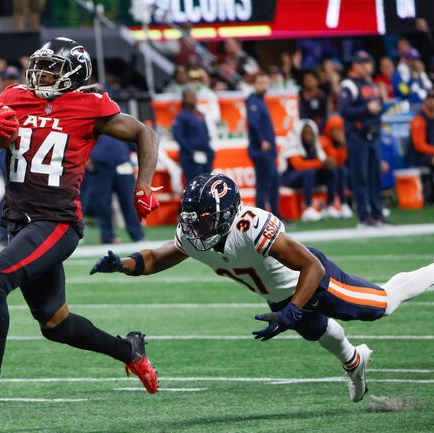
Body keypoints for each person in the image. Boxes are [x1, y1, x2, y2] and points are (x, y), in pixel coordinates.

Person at [0, 37, 160, 426]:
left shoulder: (91, 105)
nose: (41, 74)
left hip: (57, 221)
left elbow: (146, 133)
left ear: (75, 74)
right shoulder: (14, 94)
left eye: (52, 68)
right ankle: (130, 351)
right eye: (40, 65)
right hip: (19, 222)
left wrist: (143, 185)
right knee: (56, 325)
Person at [91, 173, 434, 403]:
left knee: (382, 304)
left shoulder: (250, 225)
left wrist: (294, 308)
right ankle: (355, 360)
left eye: (204, 218)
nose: (195, 224)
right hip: (279, 296)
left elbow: (310, 266)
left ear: (226, 214)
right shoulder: (196, 237)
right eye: (192, 217)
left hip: (312, 282)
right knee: (319, 332)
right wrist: (123, 264)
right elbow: (157, 257)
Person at [339, 51, 385, 227]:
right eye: (363, 63)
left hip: (373, 135)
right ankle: (365, 216)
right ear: (355, 65)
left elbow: (376, 109)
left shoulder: (370, 83)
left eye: (369, 63)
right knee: (362, 177)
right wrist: (367, 107)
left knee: (375, 176)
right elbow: (344, 110)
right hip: (358, 137)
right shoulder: (349, 84)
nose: (367, 67)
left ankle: (377, 213)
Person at [88, 135, 145, 244]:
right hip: (100, 167)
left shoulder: (122, 122)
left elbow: (136, 141)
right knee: (102, 203)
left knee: (129, 202)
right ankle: (107, 236)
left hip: (122, 164)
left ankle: (137, 235)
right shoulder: (94, 122)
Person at [280, 119, 338, 221]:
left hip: (309, 178)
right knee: (309, 172)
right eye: (305, 133)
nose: (308, 136)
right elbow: (299, 165)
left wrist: (328, 163)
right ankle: (308, 208)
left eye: (311, 133)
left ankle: (330, 205)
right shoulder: (292, 142)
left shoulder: (315, 145)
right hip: (290, 178)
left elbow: (323, 160)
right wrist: (322, 163)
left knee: (332, 171)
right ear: (299, 134)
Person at [246, 72, 281, 219]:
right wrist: (262, 140)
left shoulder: (260, 100)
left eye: (266, 82)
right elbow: (254, 123)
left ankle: (274, 216)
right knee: (264, 183)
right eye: (260, 82)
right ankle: (261, 218)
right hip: (261, 150)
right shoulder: (253, 101)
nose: (264, 85)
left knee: (272, 181)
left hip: (267, 149)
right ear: (254, 84)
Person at [172, 89, 213, 185]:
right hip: (190, 157)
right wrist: (191, 151)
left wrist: (209, 151)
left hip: (205, 154)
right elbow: (178, 136)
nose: (194, 99)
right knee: (194, 185)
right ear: (185, 100)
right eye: (190, 96)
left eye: (194, 96)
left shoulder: (199, 114)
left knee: (207, 185)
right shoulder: (181, 116)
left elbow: (206, 133)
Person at [321, 116, 353, 218]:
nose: (337, 132)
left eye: (339, 129)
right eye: (334, 129)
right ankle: (330, 204)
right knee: (335, 170)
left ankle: (344, 203)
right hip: (322, 171)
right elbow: (331, 161)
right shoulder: (324, 140)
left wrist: (342, 145)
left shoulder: (340, 142)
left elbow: (341, 161)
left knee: (342, 169)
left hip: (335, 170)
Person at [409, 89, 434, 203]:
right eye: (432, 98)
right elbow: (419, 145)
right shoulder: (419, 119)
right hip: (419, 156)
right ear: (427, 100)